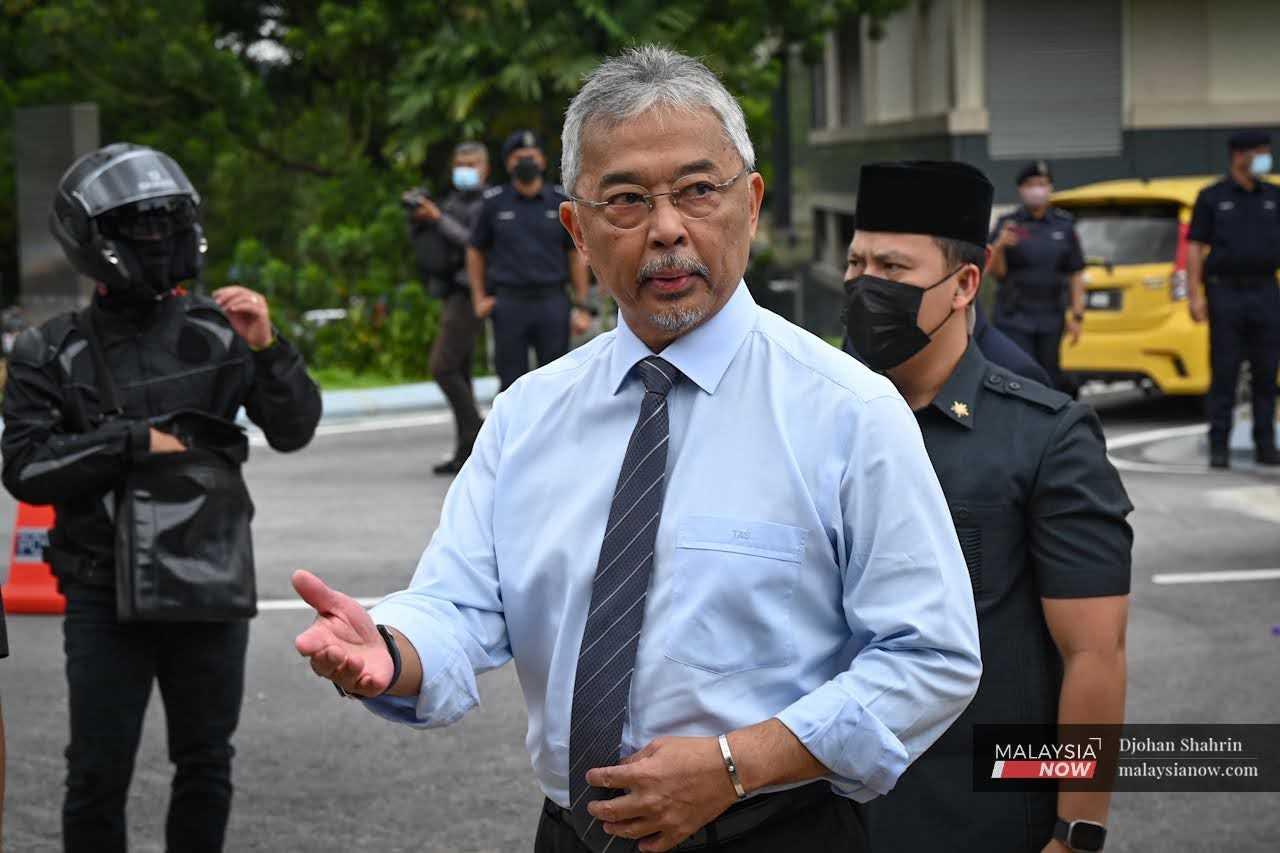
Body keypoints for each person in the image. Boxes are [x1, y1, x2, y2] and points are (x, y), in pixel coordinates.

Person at [293, 46, 981, 853]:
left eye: (697, 190)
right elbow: (460, 604)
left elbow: (929, 654)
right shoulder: (527, 416)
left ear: (750, 202)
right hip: (573, 837)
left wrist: (736, 763)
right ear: (576, 229)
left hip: (772, 830)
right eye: (624, 199)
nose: (666, 228)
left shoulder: (848, 413)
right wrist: (390, 648)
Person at [1, 142, 322, 853]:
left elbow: (295, 426)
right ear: (98, 244)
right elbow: (24, 468)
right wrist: (133, 445)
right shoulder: (50, 351)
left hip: (207, 578)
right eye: (142, 230)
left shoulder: (218, 329)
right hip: (100, 591)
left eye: (167, 225)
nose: (161, 242)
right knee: (95, 773)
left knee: (206, 765)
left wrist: (268, 346)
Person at [842, 160, 1133, 853]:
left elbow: (1094, 651)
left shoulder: (1043, 436)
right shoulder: (816, 419)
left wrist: (1076, 831)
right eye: (855, 263)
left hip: (978, 815)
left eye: (892, 265)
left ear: (964, 285)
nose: (864, 285)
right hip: (827, 814)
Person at [467, 129, 593, 390]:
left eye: (531, 155)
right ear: (508, 163)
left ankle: (558, 433)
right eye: (518, 156)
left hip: (552, 301)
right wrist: (479, 298)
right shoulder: (493, 203)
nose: (526, 161)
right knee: (510, 383)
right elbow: (475, 250)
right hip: (509, 302)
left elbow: (576, 254)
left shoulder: (559, 201)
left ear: (543, 160)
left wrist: (581, 305)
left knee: (558, 381)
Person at [1187, 129, 1280, 468]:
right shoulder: (1212, 197)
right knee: (1224, 372)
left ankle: (1266, 444)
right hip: (1225, 291)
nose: (1266, 159)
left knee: (1267, 373)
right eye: (1260, 152)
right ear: (1239, 155)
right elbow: (1195, 247)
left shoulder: (1273, 195)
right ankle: (1219, 446)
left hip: (1266, 290)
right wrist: (1195, 295)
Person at [406, 141, 490, 475]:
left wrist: (439, 218)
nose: (464, 170)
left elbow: (473, 242)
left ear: (485, 168)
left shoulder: (488, 204)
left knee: (443, 367)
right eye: (459, 163)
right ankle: (466, 452)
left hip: (470, 292)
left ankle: (478, 429)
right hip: (450, 291)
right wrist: (419, 220)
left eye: (470, 163)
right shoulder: (452, 201)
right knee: (462, 371)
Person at [987, 160, 1087, 393]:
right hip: (1015, 314)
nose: (1037, 190)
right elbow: (995, 272)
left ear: (1050, 187)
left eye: (1042, 184)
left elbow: (1076, 272)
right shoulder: (1008, 224)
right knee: (1019, 371)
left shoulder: (1064, 225)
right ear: (1021, 189)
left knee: (1049, 372)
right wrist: (1000, 245)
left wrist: (1078, 315)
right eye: (1031, 184)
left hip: (1050, 313)